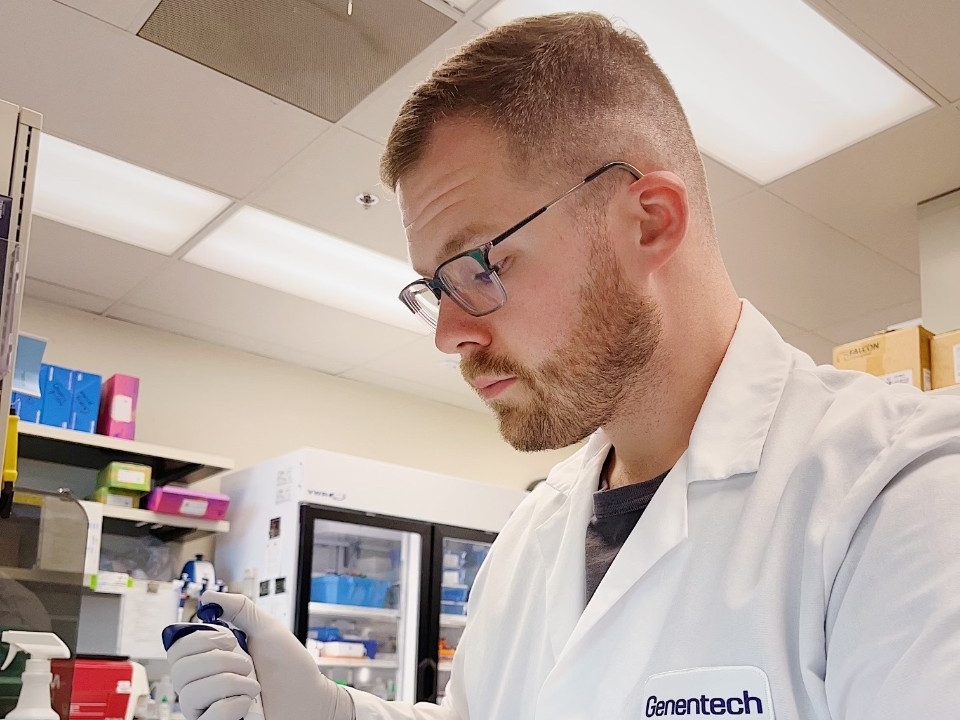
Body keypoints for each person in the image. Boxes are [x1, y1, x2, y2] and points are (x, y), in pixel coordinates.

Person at [166, 11, 960, 720]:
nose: (448, 333)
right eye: (433, 289)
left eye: (478, 266)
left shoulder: (899, 495)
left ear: (649, 223)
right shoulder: (535, 536)